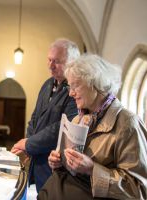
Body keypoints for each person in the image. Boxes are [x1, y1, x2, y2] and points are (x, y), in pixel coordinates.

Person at [38, 54, 147, 199]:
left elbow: (138, 189)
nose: (71, 93)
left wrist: (92, 169)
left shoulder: (128, 123)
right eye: (69, 87)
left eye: (75, 85)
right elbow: (70, 170)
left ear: (96, 84)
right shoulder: (78, 119)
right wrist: (58, 163)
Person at [11, 39, 80, 191]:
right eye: (49, 59)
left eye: (57, 61)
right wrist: (28, 145)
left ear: (72, 62)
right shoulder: (47, 84)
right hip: (38, 161)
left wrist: (28, 144)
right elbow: (34, 118)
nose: (50, 65)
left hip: (56, 166)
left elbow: (62, 128)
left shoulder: (75, 89)